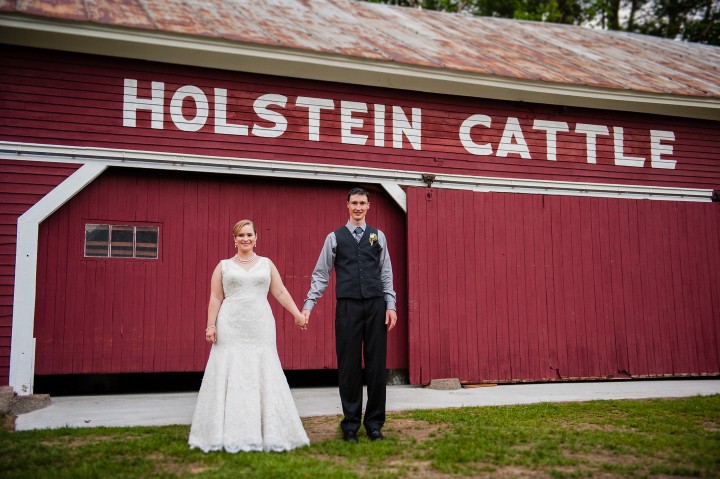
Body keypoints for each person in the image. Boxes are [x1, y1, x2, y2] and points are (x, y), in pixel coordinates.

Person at [188, 219, 310, 453]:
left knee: (262, 370)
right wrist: (210, 326)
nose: (245, 239)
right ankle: (224, 430)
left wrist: (296, 314)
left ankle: (268, 430)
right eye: (241, 235)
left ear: (256, 238)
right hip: (231, 325)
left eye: (249, 235)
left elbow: (280, 291)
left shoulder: (266, 264)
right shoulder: (223, 266)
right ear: (234, 239)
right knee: (230, 370)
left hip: (260, 326)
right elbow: (215, 297)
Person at [302, 187, 397, 443]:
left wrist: (391, 305)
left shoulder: (379, 237)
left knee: (377, 367)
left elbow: (386, 273)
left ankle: (375, 424)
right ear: (347, 205)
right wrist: (309, 304)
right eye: (354, 203)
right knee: (349, 368)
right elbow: (321, 274)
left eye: (362, 203)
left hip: (376, 307)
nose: (357, 207)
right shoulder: (334, 238)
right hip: (347, 308)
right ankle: (351, 426)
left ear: (369, 206)